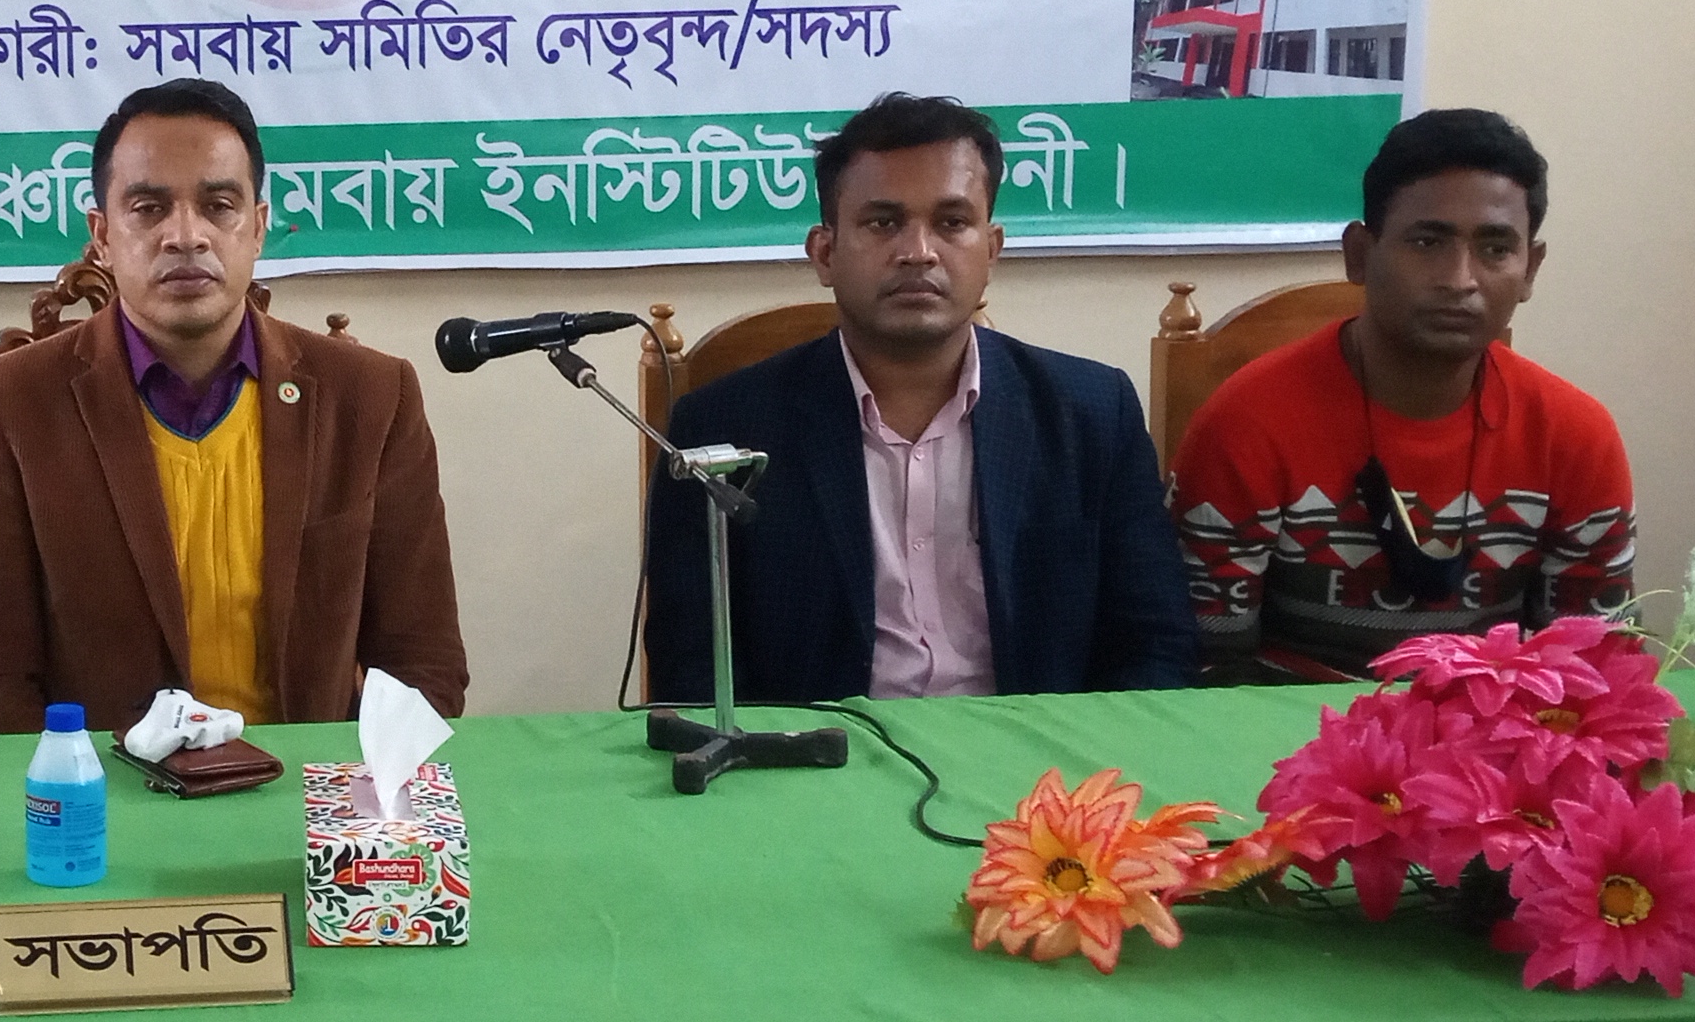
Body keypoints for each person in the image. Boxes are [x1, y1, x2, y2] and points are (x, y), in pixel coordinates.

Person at [0, 78, 466, 736]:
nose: (186, 235)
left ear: (258, 228)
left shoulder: (372, 398)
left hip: (305, 786)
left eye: (218, 206)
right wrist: (82, 787)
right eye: (149, 208)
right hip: (101, 787)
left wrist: (344, 786)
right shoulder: (5, 406)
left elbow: (423, 665)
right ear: (101, 236)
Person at [644, 94, 1195, 704]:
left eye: (952, 222)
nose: (919, 251)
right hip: (820, 752)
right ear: (825, 253)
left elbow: (1154, 645)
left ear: (992, 249)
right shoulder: (721, 428)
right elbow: (693, 668)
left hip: (1036, 751)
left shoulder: (1091, 413)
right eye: (883, 223)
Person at [1169, 107, 1635, 674]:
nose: (1461, 280)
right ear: (1360, 255)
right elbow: (1204, 670)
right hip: (1287, 725)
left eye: (1496, 249)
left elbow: (1592, 672)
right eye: (1427, 242)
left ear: (1530, 269)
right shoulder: (1246, 423)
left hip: (1492, 728)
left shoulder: (1576, 436)